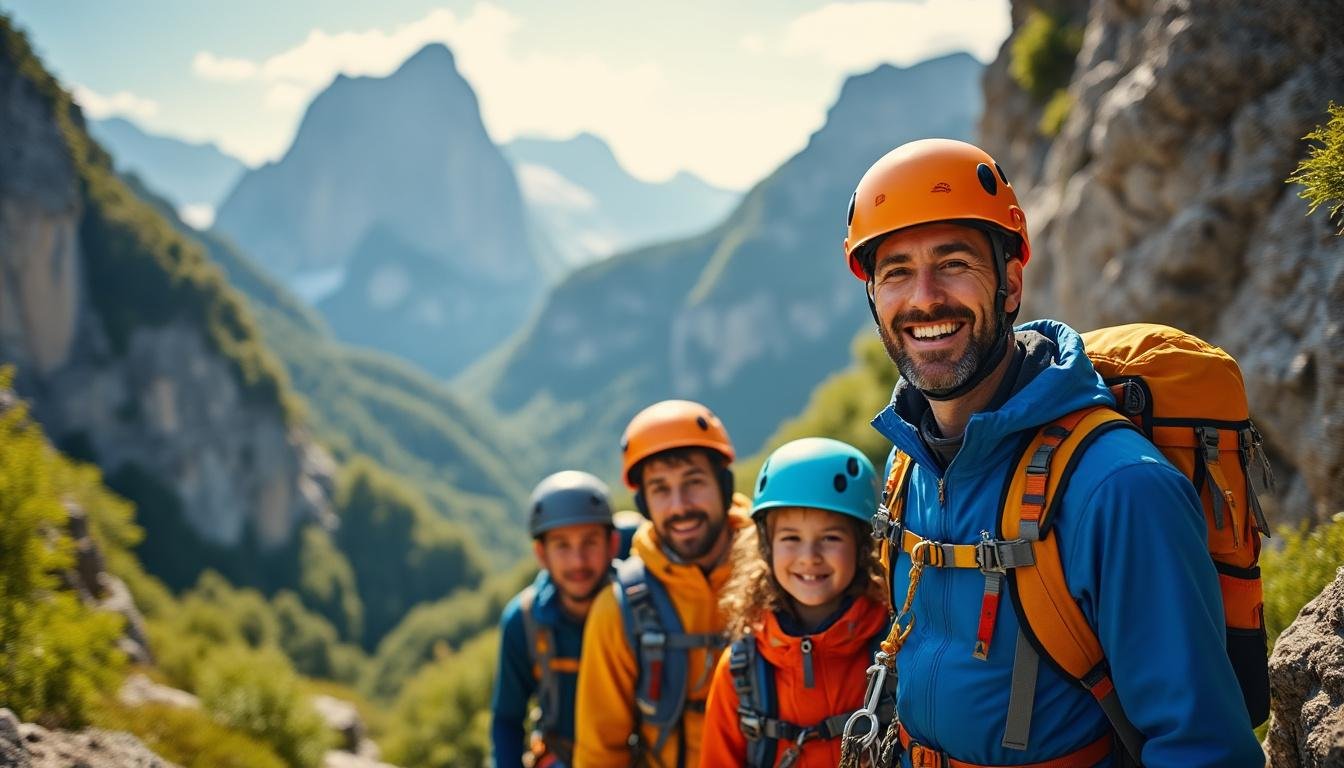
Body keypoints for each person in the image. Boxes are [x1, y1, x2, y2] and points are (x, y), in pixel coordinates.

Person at [841, 138, 1264, 766]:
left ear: (1011, 281)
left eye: (954, 263)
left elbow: (1202, 748)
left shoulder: (1117, 488)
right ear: (874, 297)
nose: (924, 298)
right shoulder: (910, 465)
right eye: (896, 271)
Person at [573, 400, 752, 768]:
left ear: (723, 484)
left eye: (693, 482)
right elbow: (599, 753)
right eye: (660, 490)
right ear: (643, 503)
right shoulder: (618, 609)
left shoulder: (779, 574)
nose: (679, 506)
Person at [700, 437, 893, 768]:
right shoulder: (741, 670)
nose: (809, 558)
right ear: (766, 547)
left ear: (862, 546)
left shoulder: (893, 650)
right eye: (791, 538)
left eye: (831, 538)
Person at [492, 471, 622, 768]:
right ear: (542, 553)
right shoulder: (524, 621)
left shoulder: (639, 608)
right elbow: (507, 719)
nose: (578, 561)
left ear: (612, 545)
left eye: (590, 542)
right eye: (562, 545)